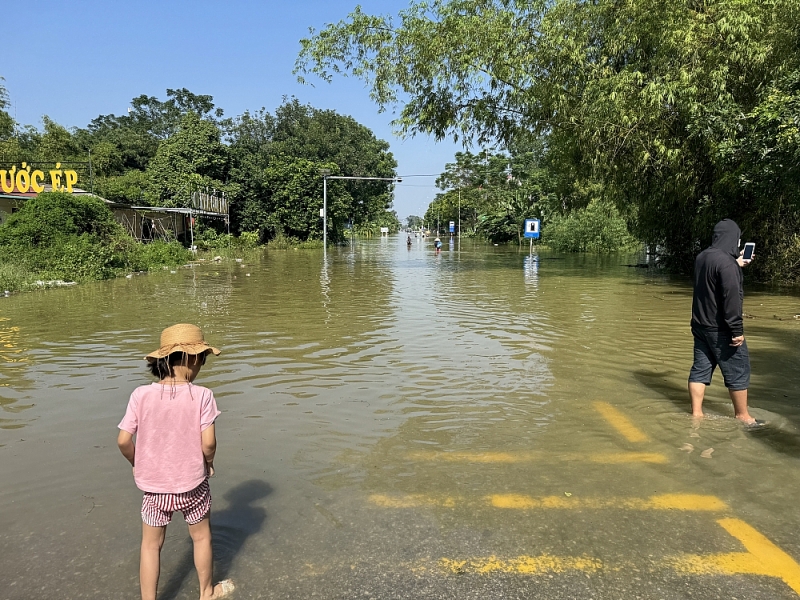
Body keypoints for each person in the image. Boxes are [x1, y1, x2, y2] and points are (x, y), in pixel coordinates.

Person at [117, 324, 234, 600]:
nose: (201, 366)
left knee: (150, 546)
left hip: (154, 490)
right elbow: (208, 443)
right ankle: (206, 593)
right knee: (202, 538)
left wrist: (137, 462)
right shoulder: (203, 395)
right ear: (192, 359)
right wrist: (210, 462)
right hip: (192, 486)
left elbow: (123, 441)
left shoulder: (140, 395)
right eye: (202, 359)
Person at [688, 219, 761, 426]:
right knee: (738, 370)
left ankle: (696, 414)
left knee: (700, 370)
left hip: (700, 326)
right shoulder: (727, 264)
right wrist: (736, 329)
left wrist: (736, 265)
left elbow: (713, 277)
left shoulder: (702, 257)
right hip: (721, 329)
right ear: (734, 239)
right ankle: (743, 417)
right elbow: (731, 298)